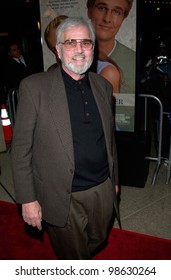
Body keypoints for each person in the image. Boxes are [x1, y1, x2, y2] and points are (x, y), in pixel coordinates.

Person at [11, 17, 120, 260]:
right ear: (58, 50)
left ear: (93, 47)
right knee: (74, 257)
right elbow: (21, 150)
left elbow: (109, 140)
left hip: (102, 187)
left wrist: (114, 179)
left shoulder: (103, 86)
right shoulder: (34, 87)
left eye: (86, 42)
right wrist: (28, 199)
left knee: (99, 238)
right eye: (71, 42)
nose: (80, 50)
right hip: (62, 192)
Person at [45, 15, 121, 93]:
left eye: (70, 43)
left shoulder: (107, 72)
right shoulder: (52, 73)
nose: (79, 50)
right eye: (54, 50)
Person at [87, 0, 135, 93]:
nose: (107, 19)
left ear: (123, 18)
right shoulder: (69, 59)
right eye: (101, 8)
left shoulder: (135, 62)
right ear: (89, 11)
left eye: (117, 12)